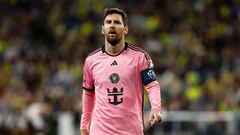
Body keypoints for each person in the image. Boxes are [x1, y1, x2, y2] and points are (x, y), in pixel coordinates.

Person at [80, 8, 162, 135]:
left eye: (117, 22)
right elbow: (88, 93)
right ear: (103, 29)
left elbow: (152, 85)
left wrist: (156, 108)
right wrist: (84, 124)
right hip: (100, 131)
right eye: (108, 22)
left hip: (131, 131)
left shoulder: (139, 57)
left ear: (125, 29)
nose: (112, 25)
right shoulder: (91, 60)